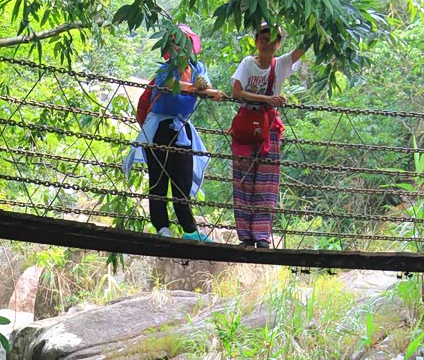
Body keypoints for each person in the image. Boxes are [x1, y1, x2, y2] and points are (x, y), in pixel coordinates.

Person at [123, 25, 223, 241]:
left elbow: (206, 85)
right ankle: (162, 228)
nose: (179, 47)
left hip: (182, 129)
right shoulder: (165, 70)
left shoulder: (198, 68)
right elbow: (170, 85)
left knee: (182, 180)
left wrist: (209, 90)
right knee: (159, 179)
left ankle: (190, 230)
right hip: (159, 128)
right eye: (175, 43)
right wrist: (198, 89)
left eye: (183, 42)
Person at [230, 23, 305, 248]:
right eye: (264, 40)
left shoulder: (280, 64)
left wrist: (317, 27)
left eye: (273, 41)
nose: (268, 45)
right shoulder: (247, 63)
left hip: (269, 128)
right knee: (243, 180)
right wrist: (267, 99)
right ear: (256, 42)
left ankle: (261, 235)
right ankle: (246, 236)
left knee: (267, 181)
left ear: (279, 44)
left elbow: (303, 48)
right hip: (247, 126)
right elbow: (236, 91)